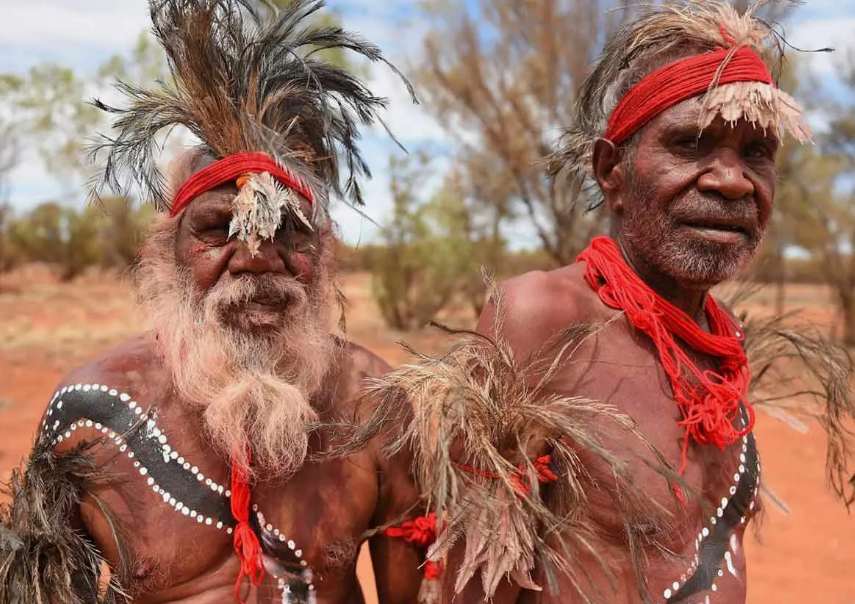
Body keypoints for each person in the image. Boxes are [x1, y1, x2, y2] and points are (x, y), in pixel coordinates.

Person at [371, 2, 855, 603]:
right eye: (691, 143)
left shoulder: (720, 342)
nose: (732, 180)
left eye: (757, 153)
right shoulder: (542, 320)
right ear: (612, 173)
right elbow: (475, 579)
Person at [0, 1, 426, 603]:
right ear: (165, 253)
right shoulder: (90, 415)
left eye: (290, 232)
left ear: (324, 255)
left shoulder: (375, 408)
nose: (256, 256)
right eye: (217, 228)